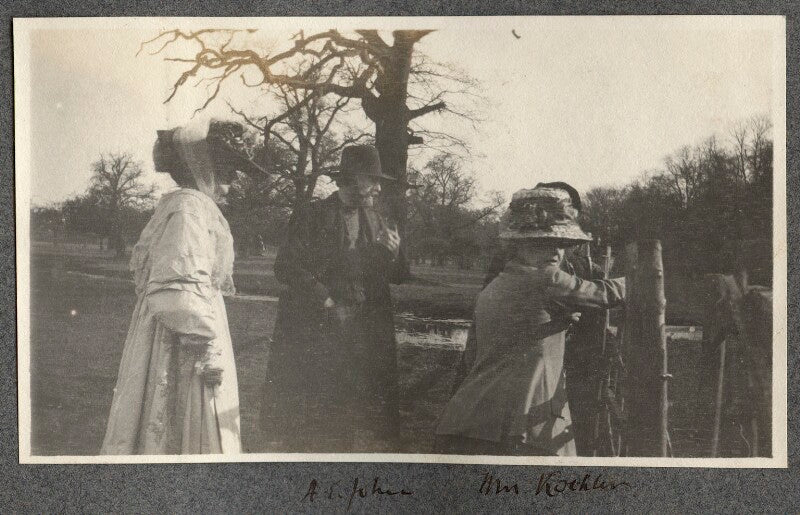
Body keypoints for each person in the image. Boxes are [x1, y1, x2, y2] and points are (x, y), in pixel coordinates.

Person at [101, 119, 264, 455]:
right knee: (186, 418)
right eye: (227, 172)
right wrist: (206, 349)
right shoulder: (188, 208)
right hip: (185, 338)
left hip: (193, 325)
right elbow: (177, 287)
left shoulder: (193, 207)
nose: (231, 183)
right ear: (204, 167)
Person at [434, 184, 626, 456]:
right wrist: (640, 280)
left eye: (562, 243)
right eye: (542, 243)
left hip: (469, 419)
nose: (555, 252)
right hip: (522, 426)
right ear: (519, 245)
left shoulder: (495, 286)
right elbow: (603, 294)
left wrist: (556, 323)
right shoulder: (547, 278)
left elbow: (499, 343)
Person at [260, 144, 403, 453]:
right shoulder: (312, 215)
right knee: (310, 414)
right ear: (351, 178)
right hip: (315, 329)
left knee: (347, 414)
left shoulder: (376, 219)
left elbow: (369, 272)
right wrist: (324, 299)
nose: (378, 188)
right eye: (372, 179)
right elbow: (286, 267)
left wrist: (388, 254)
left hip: (357, 331)